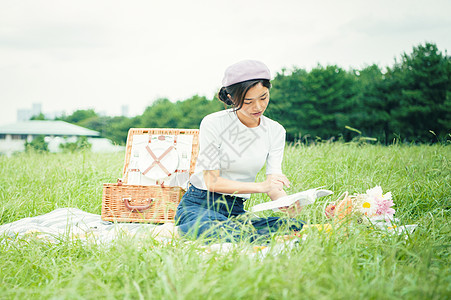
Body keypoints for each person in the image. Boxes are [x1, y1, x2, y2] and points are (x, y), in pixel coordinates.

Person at [174, 60, 304, 243]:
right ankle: (173, 232)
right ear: (231, 97)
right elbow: (211, 181)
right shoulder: (213, 123)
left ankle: (203, 232)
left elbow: (274, 183)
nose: (258, 107)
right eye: (248, 101)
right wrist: (261, 186)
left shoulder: (275, 131)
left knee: (295, 227)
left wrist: (285, 204)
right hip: (200, 205)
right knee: (215, 228)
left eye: (264, 97)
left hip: (235, 210)